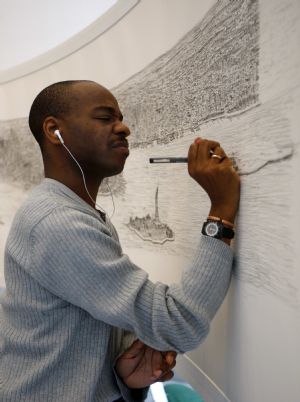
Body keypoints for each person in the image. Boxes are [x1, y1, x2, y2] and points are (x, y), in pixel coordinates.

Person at [0, 80, 240, 402]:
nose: (124, 128)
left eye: (121, 117)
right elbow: (176, 322)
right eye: (105, 117)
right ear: (54, 131)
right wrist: (221, 212)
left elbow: (81, 322)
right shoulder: (58, 223)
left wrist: (120, 371)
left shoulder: (74, 212)